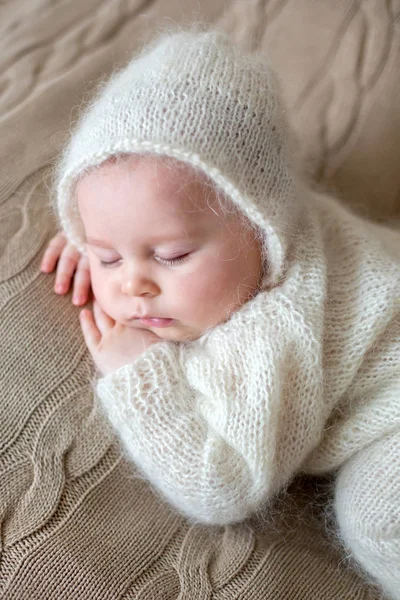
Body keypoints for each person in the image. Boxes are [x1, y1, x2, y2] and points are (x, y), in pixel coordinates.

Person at [41, 29, 400, 598]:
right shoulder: (252, 229)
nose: (132, 282)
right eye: (106, 254)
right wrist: (96, 238)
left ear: (260, 226)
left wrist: (141, 377)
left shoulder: (275, 329)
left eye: (171, 255)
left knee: (378, 514)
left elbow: (223, 485)